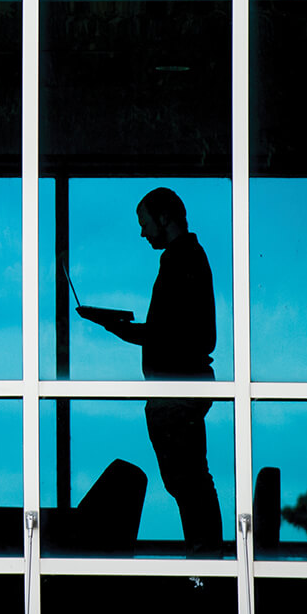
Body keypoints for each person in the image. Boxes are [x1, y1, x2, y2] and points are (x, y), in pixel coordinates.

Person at [80, 187, 221, 553]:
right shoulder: (185, 258)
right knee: (188, 482)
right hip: (178, 391)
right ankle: (206, 558)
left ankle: (206, 561)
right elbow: (173, 331)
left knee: (188, 482)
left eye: (145, 224)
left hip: (178, 391)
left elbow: (177, 334)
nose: (143, 233)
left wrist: (123, 328)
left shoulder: (182, 259)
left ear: (164, 218)